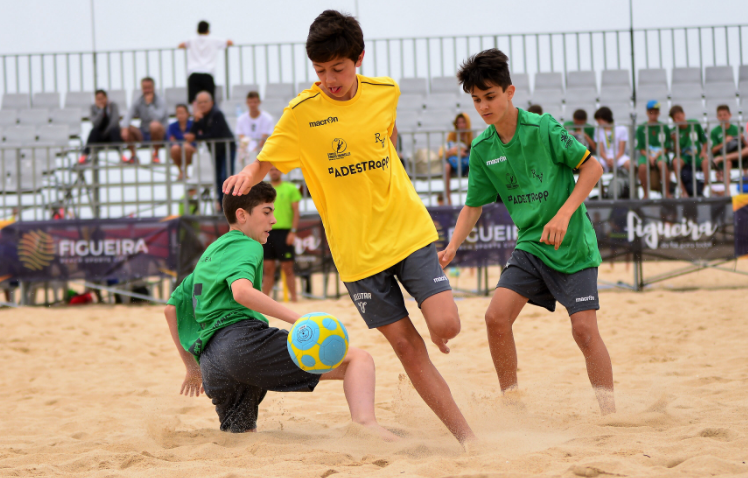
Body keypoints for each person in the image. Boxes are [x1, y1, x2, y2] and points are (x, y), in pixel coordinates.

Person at [222, 10, 475, 445]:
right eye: (320, 70)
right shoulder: (302, 113)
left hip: (406, 230)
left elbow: (386, 136)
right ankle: (468, 439)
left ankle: (439, 327)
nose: (329, 79)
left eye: (337, 69)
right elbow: (268, 156)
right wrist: (250, 169)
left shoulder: (386, 92)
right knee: (406, 347)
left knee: (447, 324)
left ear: (358, 58)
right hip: (356, 255)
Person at [439, 48, 615, 415]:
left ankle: (610, 412)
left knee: (583, 331)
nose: (483, 106)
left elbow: (593, 168)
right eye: (476, 100)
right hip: (532, 245)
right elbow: (473, 205)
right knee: (495, 317)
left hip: (573, 246)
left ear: (510, 91)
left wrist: (565, 214)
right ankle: (512, 402)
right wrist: (453, 245)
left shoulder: (544, 127)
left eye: (490, 96)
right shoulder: (483, 148)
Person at [164, 183, 396, 439]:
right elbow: (241, 291)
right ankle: (366, 425)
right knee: (358, 359)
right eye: (266, 212)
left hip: (212, 364)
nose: (273, 220)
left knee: (241, 439)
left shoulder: (210, 253)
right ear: (242, 215)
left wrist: (192, 367)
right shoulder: (247, 244)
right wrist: (300, 320)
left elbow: (171, 310)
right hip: (242, 345)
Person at [184, 91, 236, 210]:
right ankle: (221, 204)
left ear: (211, 102)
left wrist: (196, 137)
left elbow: (214, 134)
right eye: (200, 102)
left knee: (225, 176)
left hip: (227, 149)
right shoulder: (201, 116)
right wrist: (196, 121)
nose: (202, 105)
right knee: (218, 178)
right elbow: (192, 133)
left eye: (205, 102)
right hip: (216, 151)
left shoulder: (217, 114)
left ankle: (228, 205)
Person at [262, 166, 301, 302]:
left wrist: (293, 232)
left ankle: (294, 299)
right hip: (267, 232)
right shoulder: (264, 190)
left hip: (285, 232)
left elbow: (296, 212)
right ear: (268, 172)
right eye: (271, 169)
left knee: (288, 268)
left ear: (281, 171)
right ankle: (264, 300)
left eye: (276, 169)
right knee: (268, 269)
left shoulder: (290, 188)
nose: (274, 171)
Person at [179, 21, 233, 105]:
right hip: (208, 72)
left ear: (197, 30)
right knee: (209, 101)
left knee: (194, 101)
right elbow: (229, 42)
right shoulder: (213, 39)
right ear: (208, 30)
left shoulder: (192, 39)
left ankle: (196, 117)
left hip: (193, 72)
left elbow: (181, 45)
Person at [121, 77, 168, 163]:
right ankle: (133, 156)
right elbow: (129, 115)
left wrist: (149, 104)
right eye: (144, 88)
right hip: (144, 132)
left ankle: (156, 154)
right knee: (127, 128)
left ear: (153, 88)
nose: (147, 91)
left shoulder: (161, 101)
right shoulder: (138, 100)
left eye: (149, 88)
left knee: (154, 125)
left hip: (160, 134)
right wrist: (125, 127)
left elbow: (157, 118)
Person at [670, 105, 709, 198]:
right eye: (675, 119)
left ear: (684, 114)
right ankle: (684, 192)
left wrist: (703, 152)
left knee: (706, 162)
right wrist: (675, 141)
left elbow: (704, 140)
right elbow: (677, 152)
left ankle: (701, 191)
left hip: (697, 156)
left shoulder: (695, 124)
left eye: (679, 117)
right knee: (676, 162)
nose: (678, 120)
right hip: (684, 157)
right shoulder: (673, 131)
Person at [635, 100, 672, 199]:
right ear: (647, 113)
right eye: (651, 112)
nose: (653, 114)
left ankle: (667, 193)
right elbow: (641, 148)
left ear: (659, 113)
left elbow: (667, 147)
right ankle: (646, 194)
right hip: (646, 155)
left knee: (662, 164)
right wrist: (650, 157)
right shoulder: (641, 128)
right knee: (642, 167)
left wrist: (656, 156)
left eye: (655, 112)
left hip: (660, 154)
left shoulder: (664, 127)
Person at [78, 90, 125, 164]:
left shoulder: (113, 106)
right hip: (99, 137)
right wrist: (101, 111)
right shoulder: (93, 108)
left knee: (114, 131)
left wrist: (105, 133)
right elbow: (95, 123)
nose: (101, 101)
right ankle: (84, 156)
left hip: (111, 135)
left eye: (102, 98)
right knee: (93, 131)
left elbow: (114, 122)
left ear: (106, 98)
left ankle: (122, 155)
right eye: (98, 99)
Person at [710, 104, 746, 194]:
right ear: (717, 117)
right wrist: (724, 142)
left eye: (725, 115)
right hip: (724, 156)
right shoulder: (714, 131)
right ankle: (727, 190)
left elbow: (745, 146)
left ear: (730, 115)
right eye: (720, 115)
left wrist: (742, 139)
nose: (723, 117)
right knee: (727, 162)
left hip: (736, 155)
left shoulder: (736, 128)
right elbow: (713, 150)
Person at [236, 91, 274, 166]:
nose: (252, 105)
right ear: (247, 103)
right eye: (250, 102)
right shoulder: (241, 119)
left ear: (259, 102)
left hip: (262, 154)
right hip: (246, 154)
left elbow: (264, 139)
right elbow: (241, 137)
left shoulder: (267, 118)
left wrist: (255, 152)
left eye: (255, 102)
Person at [443, 113, 473, 205]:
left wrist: (459, 151)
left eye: (463, 122)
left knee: (474, 167)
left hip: (466, 162)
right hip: (454, 162)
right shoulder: (452, 135)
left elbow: (471, 150)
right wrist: (458, 152)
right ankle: (448, 198)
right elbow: (446, 152)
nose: (461, 125)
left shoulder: (470, 135)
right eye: (458, 123)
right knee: (446, 167)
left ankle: (472, 198)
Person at [593, 106, 630, 173]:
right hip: (604, 158)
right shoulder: (598, 130)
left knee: (630, 165)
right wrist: (607, 160)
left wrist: (614, 160)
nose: (597, 122)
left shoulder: (621, 129)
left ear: (605, 118)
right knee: (594, 165)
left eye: (599, 120)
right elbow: (601, 151)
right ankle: (599, 183)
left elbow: (621, 150)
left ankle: (630, 182)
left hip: (619, 157)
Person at [168, 104, 195, 180]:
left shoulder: (193, 124)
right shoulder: (172, 126)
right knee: (175, 148)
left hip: (191, 151)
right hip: (178, 151)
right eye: (178, 113)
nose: (180, 115)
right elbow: (171, 139)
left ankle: (185, 172)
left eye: (182, 113)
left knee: (185, 147)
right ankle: (181, 172)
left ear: (187, 113)